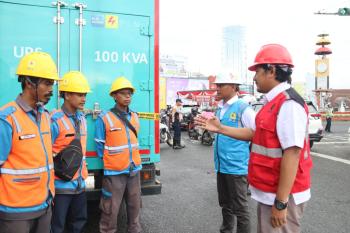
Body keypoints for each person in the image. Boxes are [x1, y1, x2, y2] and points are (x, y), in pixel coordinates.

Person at [196, 44, 312, 233]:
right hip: (270, 193)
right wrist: (221, 128)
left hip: (283, 196)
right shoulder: (272, 102)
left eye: (257, 71)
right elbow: (255, 133)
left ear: (271, 71)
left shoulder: (288, 104)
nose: (254, 77)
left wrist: (281, 203)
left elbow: (293, 153)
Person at [0, 52, 58, 233]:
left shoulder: (45, 116)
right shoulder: (7, 118)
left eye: (52, 84)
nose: (51, 89)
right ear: (28, 82)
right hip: (16, 211)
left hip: (45, 205)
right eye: (47, 83)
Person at [95, 76, 142, 233]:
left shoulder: (135, 116)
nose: (127, 96)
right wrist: (114, 161)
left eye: (129, 93)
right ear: (114, 96)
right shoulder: (104, 117)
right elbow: (100, 145)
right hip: (115, 173)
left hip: (134, 170)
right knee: (110, 210)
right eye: (123, 93)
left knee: (135, 207)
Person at [212, 73, 256, 233]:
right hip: (221, 166)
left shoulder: (244, 108)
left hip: (237, 168)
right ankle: (226, 230)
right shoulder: (220, 108)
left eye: (221, 85)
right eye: (217, 85)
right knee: (225, 205)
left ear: (233, 86)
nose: (217, 88)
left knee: (241, 209)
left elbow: (256, 132)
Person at [51, 71, 91, 233]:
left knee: (79, 222)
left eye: (85, 95)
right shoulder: (54, 120)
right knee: (57, 226)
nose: (84, 99)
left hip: (79, 184)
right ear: (67, 95)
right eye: (80, 95)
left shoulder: (81, 119)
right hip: (60, 186)